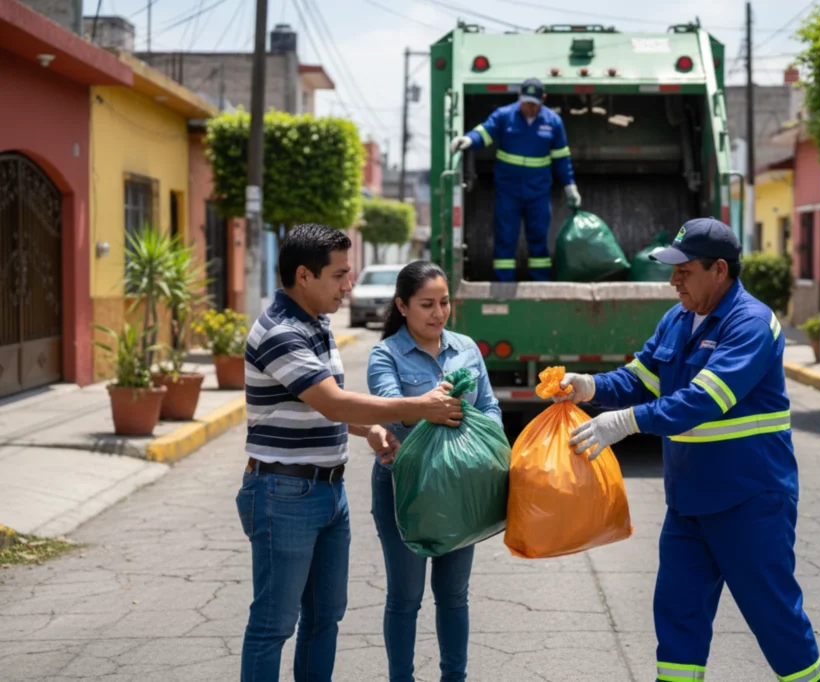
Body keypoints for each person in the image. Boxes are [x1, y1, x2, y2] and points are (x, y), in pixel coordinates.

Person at [554, 218, 820, 682]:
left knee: (775, 620)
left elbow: (703, 400)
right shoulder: (678, 319)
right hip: (689, 504)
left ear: (719, 270)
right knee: (677, 619)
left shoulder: (751, 324)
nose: (672, 279)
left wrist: (624, 422)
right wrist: (588, 386)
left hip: (750, 501)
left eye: (684, 269)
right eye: (672, 268)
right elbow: (639, 379)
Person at [236, 225, 464, 682]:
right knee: (274, 625)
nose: (349, 285)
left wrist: (372, 430)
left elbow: (327, 409)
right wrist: (418, 407)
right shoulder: (280, 332)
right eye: (339, 274)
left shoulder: (316, 324)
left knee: (325, 619)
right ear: (304, 275)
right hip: (283, 492)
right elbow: (333, 401)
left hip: (327, 492)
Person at [364, 260, 501, 682]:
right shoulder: (384, 355)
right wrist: (433, 401)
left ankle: (453, 677)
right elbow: (395, 412)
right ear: (402, 306)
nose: (438, 313)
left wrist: (490, 443)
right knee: (405, 598)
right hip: (407, 487)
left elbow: (489, 407)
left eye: (444, 302)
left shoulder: (466, 349)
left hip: (463, 488)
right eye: (426, 304)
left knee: (454, 596)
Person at [450, 77, 581, 282]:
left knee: (538, 240)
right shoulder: (504, 116)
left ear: (543, 100)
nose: (528, 107)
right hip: (508, 191)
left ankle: (540, 284)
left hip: (537, 192)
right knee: (505, 238)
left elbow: (561, 158)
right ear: (519, 97)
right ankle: (504, 285)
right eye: (525, 102)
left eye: (533, 104)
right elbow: (485, 132)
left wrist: (569, 186)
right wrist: (467, 139)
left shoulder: (553, 122)